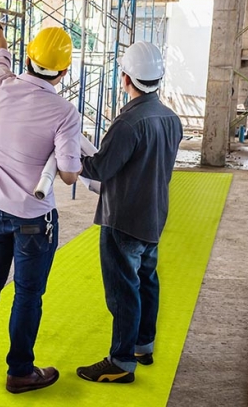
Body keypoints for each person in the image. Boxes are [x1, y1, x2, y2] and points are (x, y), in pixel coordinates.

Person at [0, 17, 82, 394]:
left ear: (28, 58)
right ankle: (20, 371)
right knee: (27, 294)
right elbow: (68, 174)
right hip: (33, 218)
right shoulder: (65, 113)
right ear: (64, 71)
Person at [76, 41, 183, 384]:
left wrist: (71, 157)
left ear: (126, 78)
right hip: (153, 215)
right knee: (147, 281)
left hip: (123, 218)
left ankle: (121, 361)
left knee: (123, 290)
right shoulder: (170, 119)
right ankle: (142, 345)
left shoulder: (129, 123)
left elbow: (101, 168)